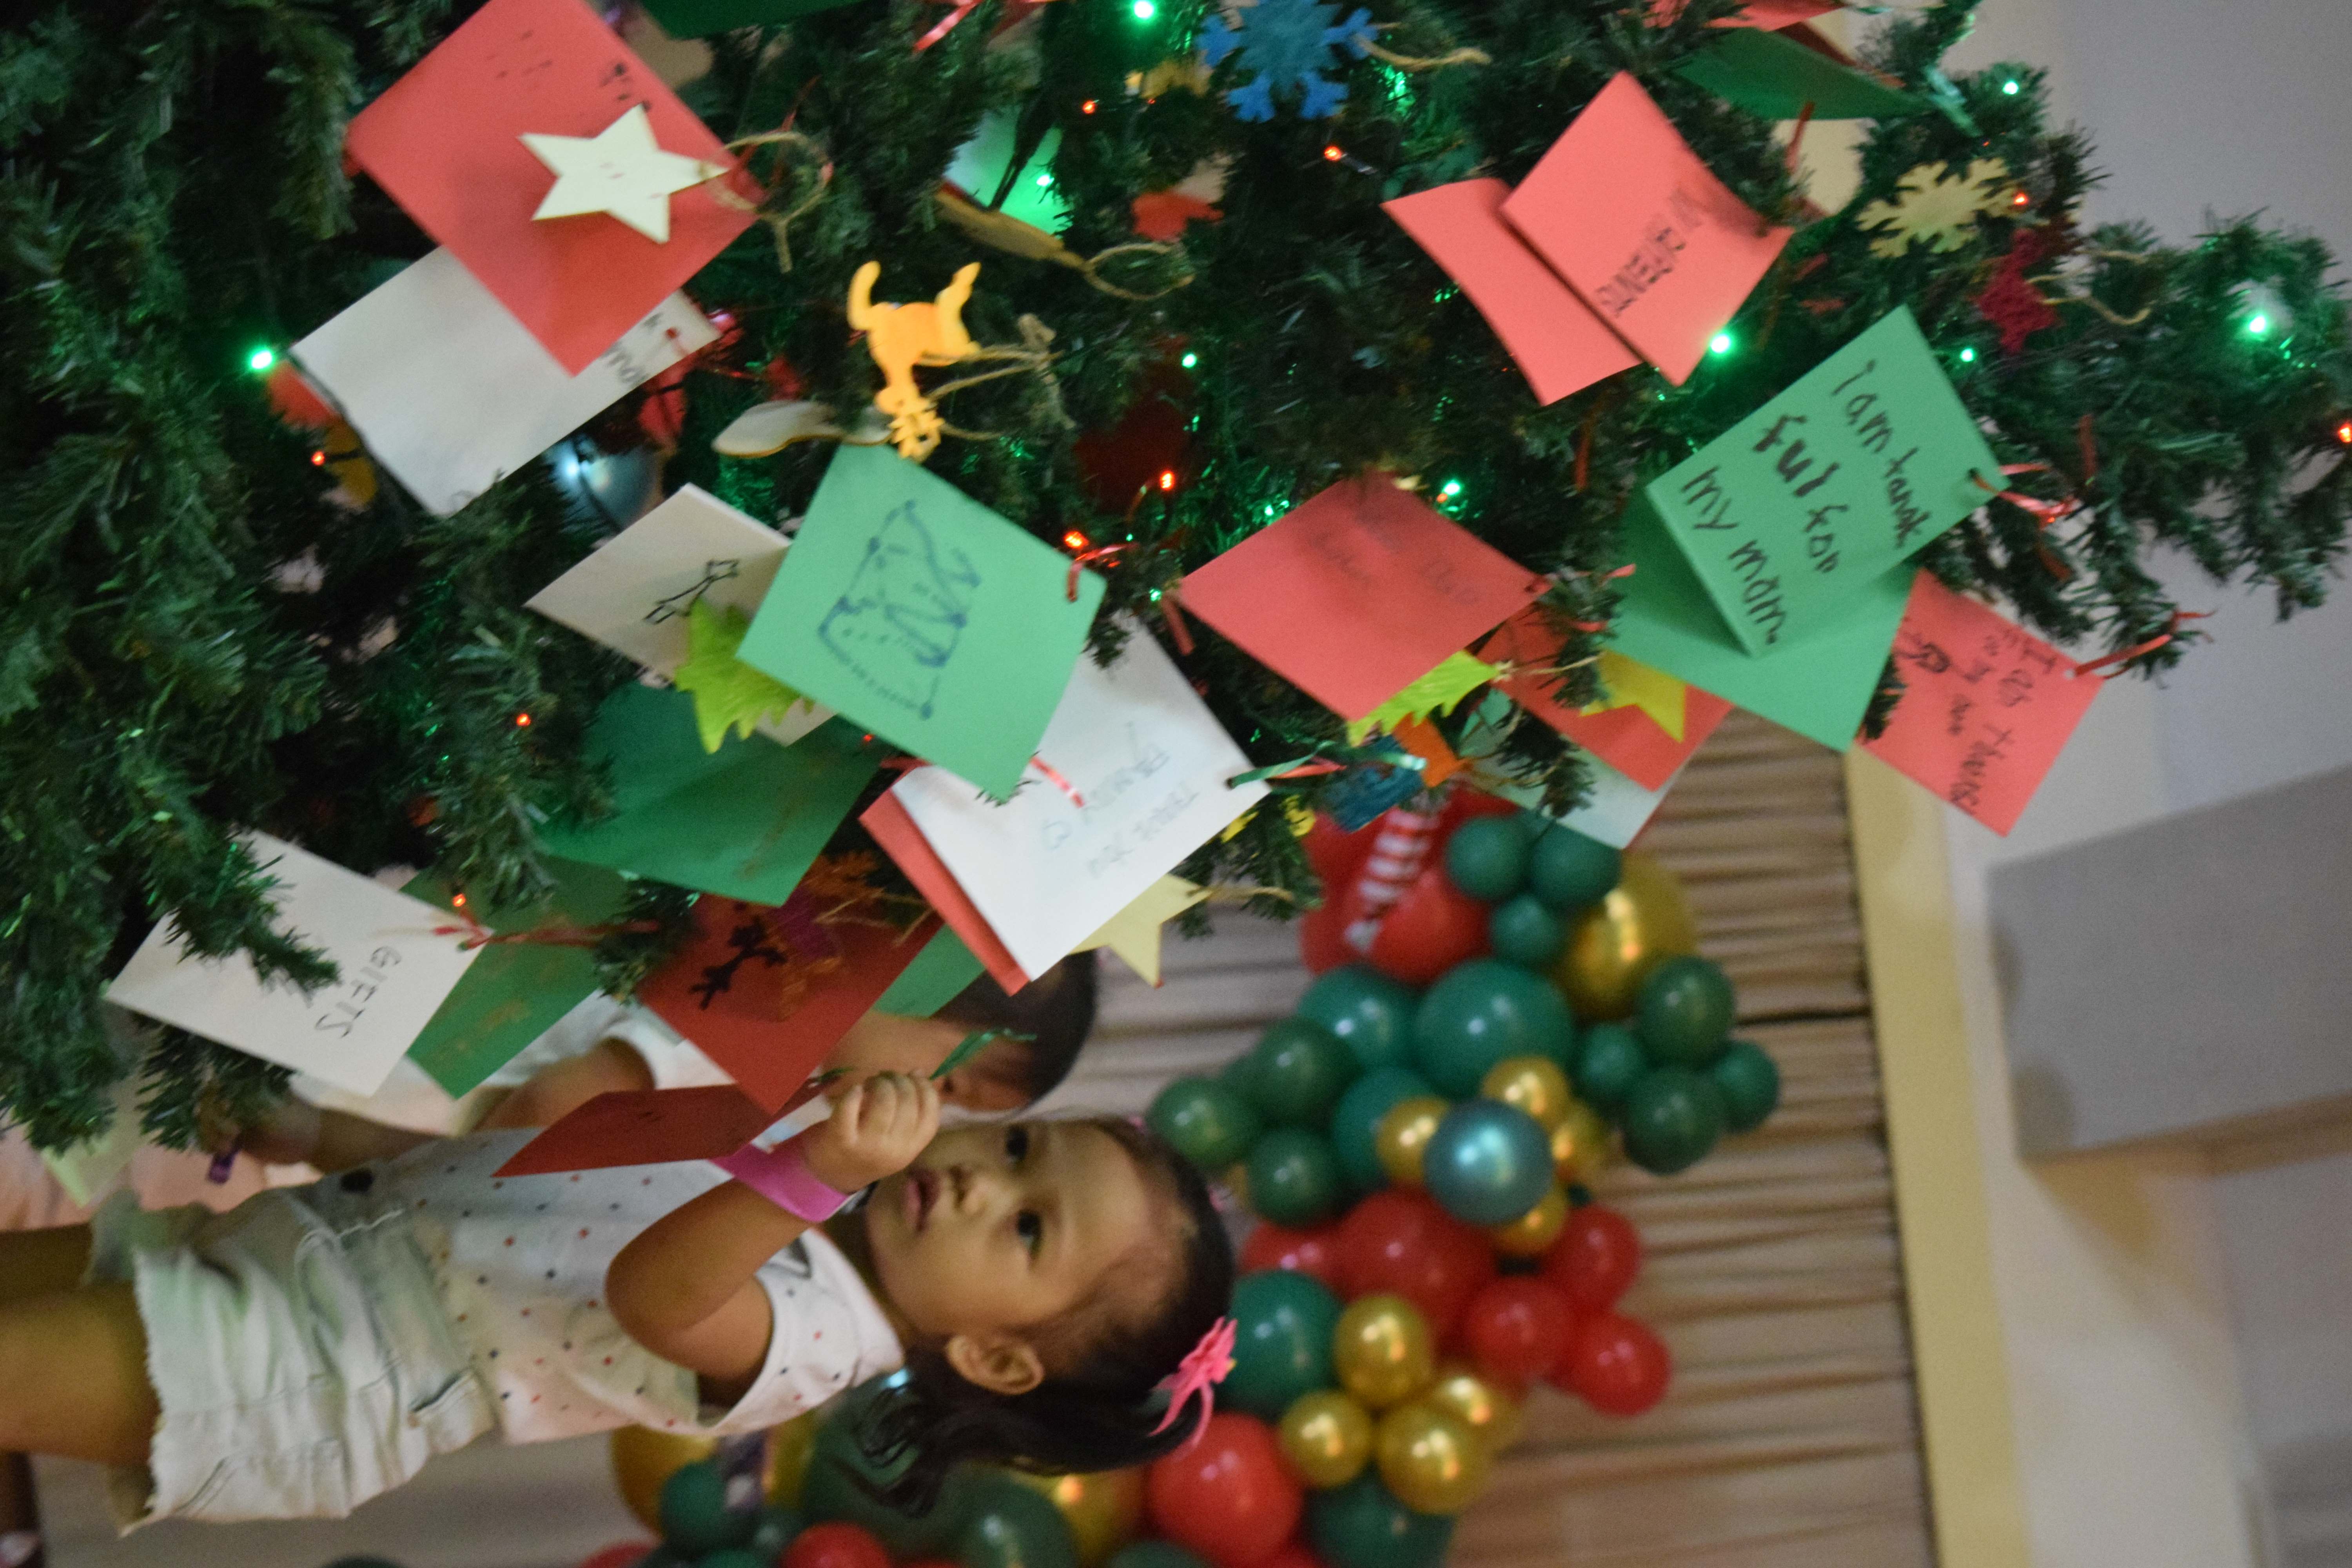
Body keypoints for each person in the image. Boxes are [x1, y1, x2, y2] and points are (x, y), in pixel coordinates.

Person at [0, 1068, 1234, 1528]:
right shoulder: (792, 1187)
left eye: (1026, 1228)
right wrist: (326, 1135)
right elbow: (515, 1181)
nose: (978, 1180)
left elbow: (659, 1297)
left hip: (314, 1370)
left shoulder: (821, 1335)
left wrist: (814, 1168)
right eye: (1017, 1147)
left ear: (1000, 1359)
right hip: (313, 1240)